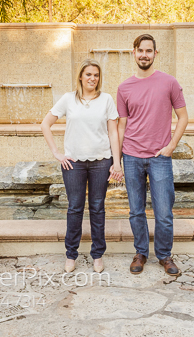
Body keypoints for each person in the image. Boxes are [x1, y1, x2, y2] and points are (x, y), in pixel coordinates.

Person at [41, 58, 123, 274]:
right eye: (88, 74)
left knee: (97, 208)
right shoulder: (68, 99)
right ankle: (71, 255)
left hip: (101, 162)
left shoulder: (106, 99)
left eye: (96, 75)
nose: (92, 78)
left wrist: (117, 162)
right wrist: (57, 153)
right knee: (74, 208)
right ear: (80, 76)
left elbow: (113, 132)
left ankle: (97, 255)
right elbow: (45, 124)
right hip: (74, 164)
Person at [117, 34, 188, 277]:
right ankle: (140, 252)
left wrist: (171, 146)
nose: (144, 55)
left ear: (155, 54)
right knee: (136, 210)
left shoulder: (169, 82)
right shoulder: (124, 87)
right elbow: (121, 126)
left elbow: (183, 117)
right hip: (132, 156)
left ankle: (165, 255)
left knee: (164, 211)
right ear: (134, 53)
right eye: (140, 50)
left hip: (160, 157)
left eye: (149, 50)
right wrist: (118, 159)